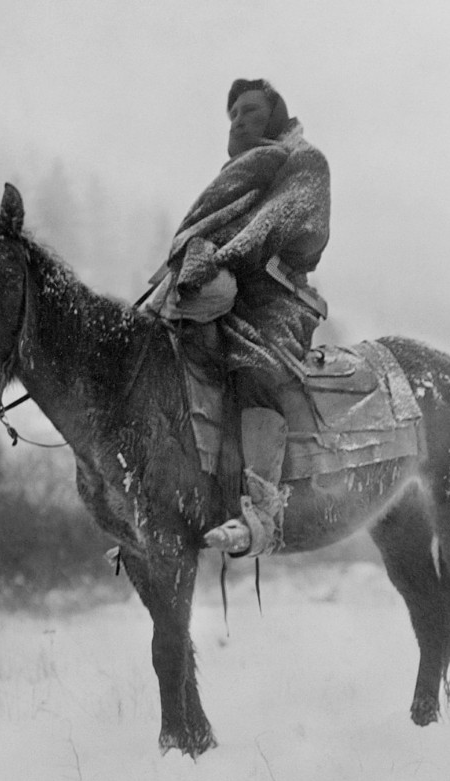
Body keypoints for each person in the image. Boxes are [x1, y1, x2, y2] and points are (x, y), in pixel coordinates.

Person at [146, 78, 331, 557]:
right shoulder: (238, 174)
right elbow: (207, 228)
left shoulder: (304, 161)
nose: (240, 120)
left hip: (276, 299)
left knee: (256, 367)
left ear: (274, 112)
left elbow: (278, 225)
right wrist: (195, 262)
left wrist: (221, 257)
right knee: (170, 358)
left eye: (250, 110)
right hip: (226, 290)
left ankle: (261, 511)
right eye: (232, 115)